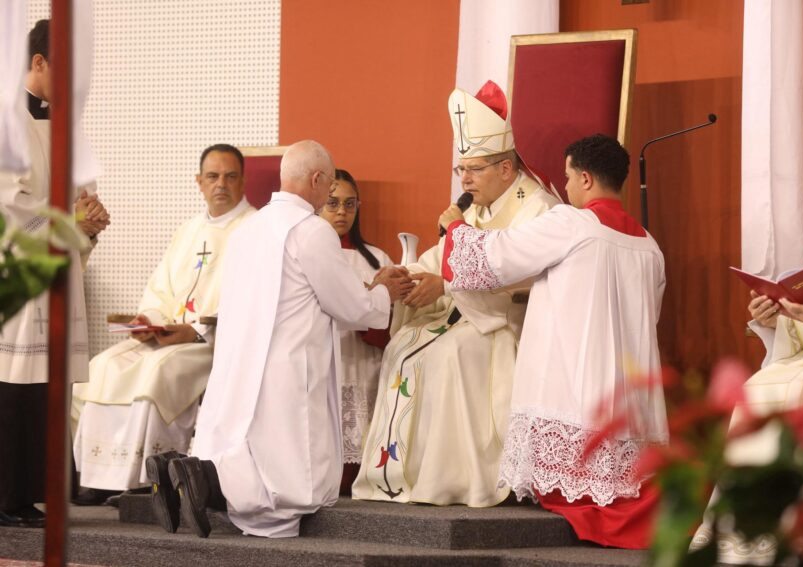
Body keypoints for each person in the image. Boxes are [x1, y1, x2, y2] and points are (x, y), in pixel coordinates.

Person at [146, 140, 413, 538]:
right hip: (290, 361)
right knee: (283, 475)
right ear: (317, 179)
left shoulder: (248, 228)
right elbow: (350, 306)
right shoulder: (311, 230)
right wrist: (383, 292)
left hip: (243, 357)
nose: (329, 196)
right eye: (329, 186)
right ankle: (202, 480)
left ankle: (186, 471)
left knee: (249, 444)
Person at [438, 134, 669, 548]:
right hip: (628, 398)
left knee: (574, 488)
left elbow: (497, 256)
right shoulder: (649, 246)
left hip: (576, 386)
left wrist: (456, 226)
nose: (565, 187)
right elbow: (648, 318)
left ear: (585, 178)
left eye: (567, 177)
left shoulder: (571, 224)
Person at [352, 81, 559, 507]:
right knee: (404, 345)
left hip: (510, 324)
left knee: (449, 353)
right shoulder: (476, 206)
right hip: (471, 316)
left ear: (506, 169)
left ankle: (455, 479)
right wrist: (405, 277)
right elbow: (439, 256)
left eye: (474, 169)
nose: (464, 180)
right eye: (460, 170)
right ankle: (401, 475)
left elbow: (522, 276)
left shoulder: (538, 209)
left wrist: (446, 285)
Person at [690, 138, 803, 564]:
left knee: (802, 395)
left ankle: (797, 538)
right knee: (757, 390)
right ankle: (747, 534)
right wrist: (777, 315)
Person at [72, 144, 255, 504]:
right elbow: (160, 289)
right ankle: (99, 477)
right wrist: (149, 322)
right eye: (213, 176)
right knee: (101, 367)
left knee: (156, 372)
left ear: (243, 181)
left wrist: (196, 331)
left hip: (214, 343)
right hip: (169, 335)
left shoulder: (254, 231)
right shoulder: (188, 231)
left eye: (230, 176)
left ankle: (145, 480)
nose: (221, 184)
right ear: (199, 182)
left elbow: (252, 301)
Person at [0, 19, 109, 528]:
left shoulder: (68, 124)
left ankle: (30, 494)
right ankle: (7, 498)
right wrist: (70, 221)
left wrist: (91, 220)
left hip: (56, 275)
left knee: (46, 390)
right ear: (39, 61)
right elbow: (10, 209)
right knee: (14, 387)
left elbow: (77, 197)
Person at [317, 169, 394, 492]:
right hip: (325, 357)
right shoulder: (311, 255)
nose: (341, 212)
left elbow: (392, 319)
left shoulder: (377, 259)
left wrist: (375, 303)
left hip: (363, 360)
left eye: (349, 204)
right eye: (333, 203)